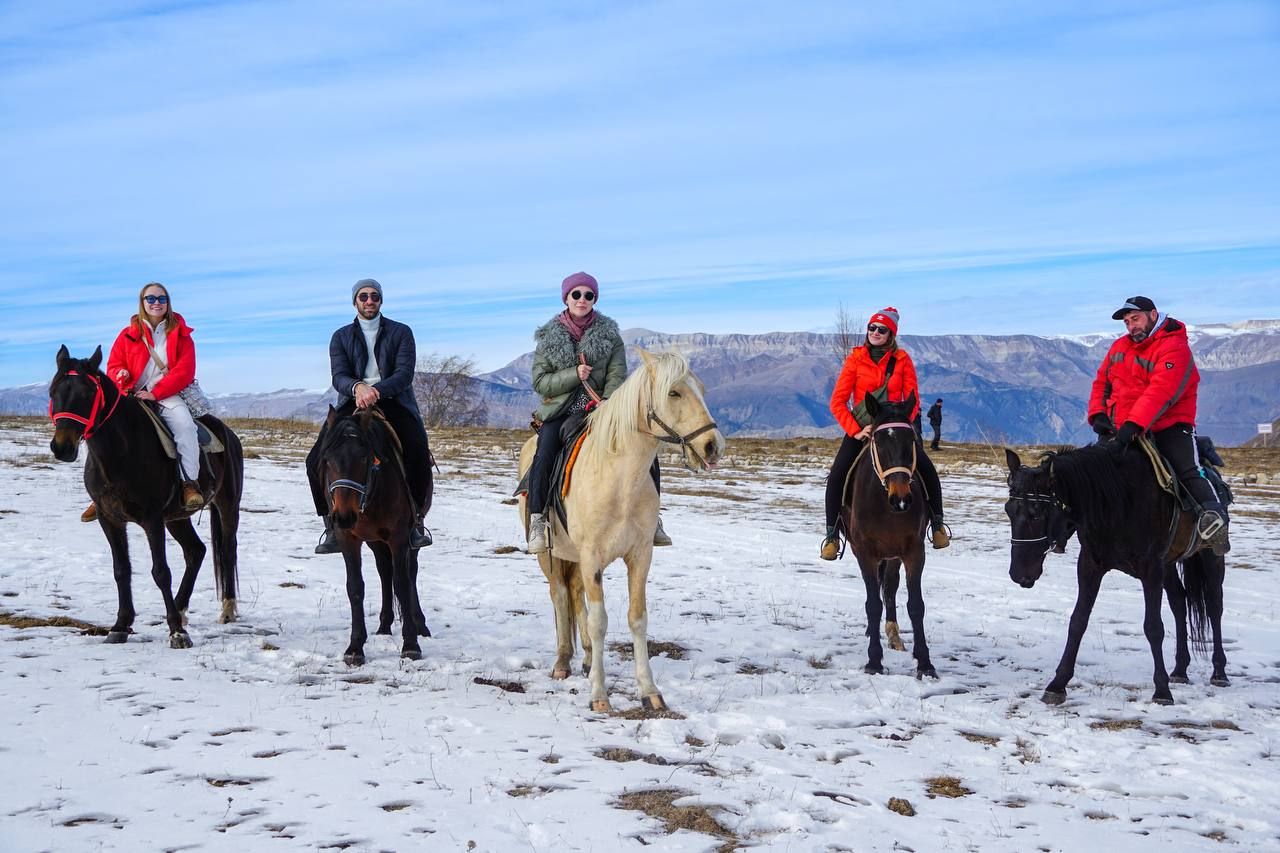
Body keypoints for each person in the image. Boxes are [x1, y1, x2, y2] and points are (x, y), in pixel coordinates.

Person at [525, 272, 670, 553]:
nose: (582, 300)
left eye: (588, 295)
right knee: (544, 454)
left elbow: (617, 373)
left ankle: (655, 519)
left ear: (595, 299)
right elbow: (540, 382)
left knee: (646, 448)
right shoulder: (547, 339)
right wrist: (573, 374)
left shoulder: (610, 337)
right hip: (560, 411)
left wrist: (609, 401)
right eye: (576, 294)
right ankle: (538, 519)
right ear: (566, 298)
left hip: (602, 410)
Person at [1087, 296, 1229, 554]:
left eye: (1136, 318)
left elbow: (1161, 393)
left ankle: (1216, 521)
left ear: (1153, 315)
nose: (1131, 326)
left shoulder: (1175, 347)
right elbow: (1101, 382)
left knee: (1187, 470)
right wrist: (1097, 414)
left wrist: (1133, 425)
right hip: (1122, 428)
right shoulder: (1119, 347)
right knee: (1092, 473)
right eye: (1127, 322)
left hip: (1170, 425)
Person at [308, 279, 432, 553]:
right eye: (363, 296)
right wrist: (358, 387)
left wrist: (375, 390)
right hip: (351, 403)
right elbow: (338, 375)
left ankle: (415, 522)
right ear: (355, 302)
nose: (369, 301)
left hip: (393, 401)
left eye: (374, 296)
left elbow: (403, 374)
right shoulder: (340, 337)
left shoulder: (401, 332)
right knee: (314, 458)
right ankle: (330, 525)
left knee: (417, 450)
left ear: (381, 301)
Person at [821, 307, 949, 560]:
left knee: (927, 470)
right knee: (837, 475)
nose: (875, 333)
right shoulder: (855, 359)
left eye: (882, 329)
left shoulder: (902, 360)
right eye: (872, 328)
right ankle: (832, 535)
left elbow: (913, 399)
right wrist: (856, 431)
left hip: (897, 428)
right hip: (864, 430)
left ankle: (936, 525)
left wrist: (902, 426)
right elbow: (837, 402)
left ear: (891, 333)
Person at [82, 282, 204, 522]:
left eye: (161, 298)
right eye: (151, 299)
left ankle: (189, 484)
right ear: (142, 302)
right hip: (131, 395)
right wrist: (122, 377)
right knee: (98, 432)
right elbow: (114, 364)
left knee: (185, 427)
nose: (156, 303)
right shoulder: (127, 334)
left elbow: (185, 371)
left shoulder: (181, 334)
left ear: (168, 302)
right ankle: (100, 494)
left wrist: (156, 393)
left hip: (167, 394)